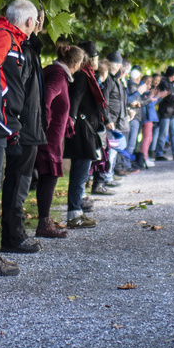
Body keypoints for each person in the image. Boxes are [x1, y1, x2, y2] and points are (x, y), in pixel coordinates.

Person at [0, 0, 47, 260]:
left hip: (1, 124)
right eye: (36, 22)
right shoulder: (4, 37)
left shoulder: (11, 38)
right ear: (29, 22)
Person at [36, 45, 83, 238]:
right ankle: (44, 222)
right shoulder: (58, 74)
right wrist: (45, 122)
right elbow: (48, 96)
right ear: (74, 62)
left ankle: (44, 220)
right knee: (49, 176)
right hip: (49, 136)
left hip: (53, 134)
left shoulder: (58, 73)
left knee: (48, 177)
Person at [66, 42, 108, 223]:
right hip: (83, 131)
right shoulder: (83, 76)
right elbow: (75, 98)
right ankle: (74, 213)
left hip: (86, 129)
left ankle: (76, 209)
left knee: (82, 170)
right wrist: (72, 119)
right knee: (80, 171)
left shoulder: (87, 75)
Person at [152, 66, 174, 161]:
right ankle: (160, 153)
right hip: (166, 112)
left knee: (172, 133)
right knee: (165, 133)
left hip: (170, 112)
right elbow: (171, 98)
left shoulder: (170, 83)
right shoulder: (166, 84)